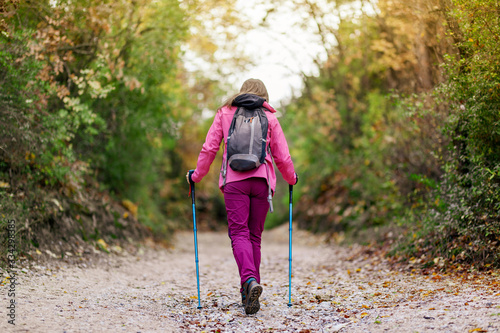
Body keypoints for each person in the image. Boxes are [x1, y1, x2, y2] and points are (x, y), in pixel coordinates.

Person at [186, 78, 298, 315]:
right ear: (264, 96)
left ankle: (248, 282)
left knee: (239, 234)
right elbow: (283, 157)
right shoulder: (270, 117)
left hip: (234, 182)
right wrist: (292, 178)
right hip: (261, 182)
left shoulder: (225, 113)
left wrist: (196, 176)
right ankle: (249, 289)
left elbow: (209, 148)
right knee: (254, 237)